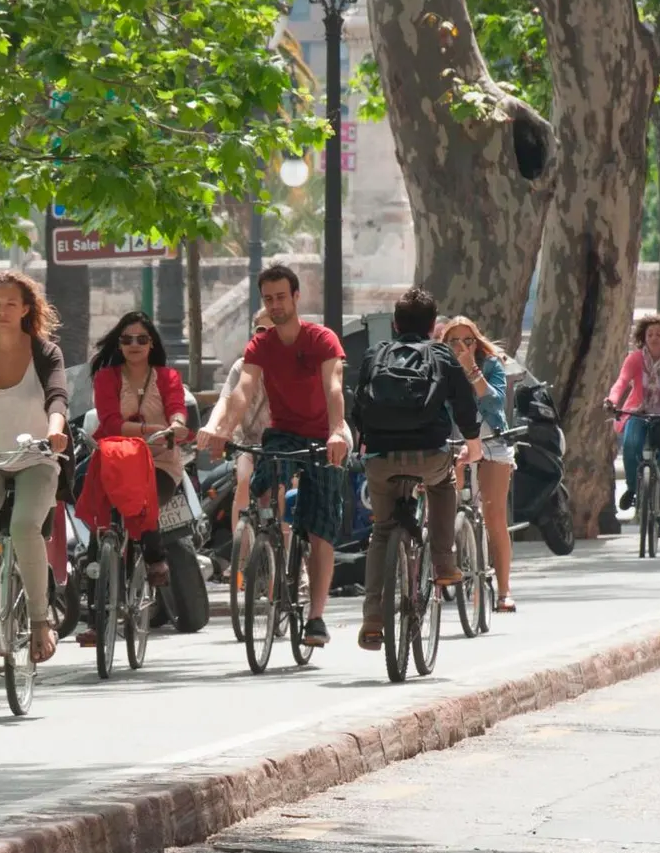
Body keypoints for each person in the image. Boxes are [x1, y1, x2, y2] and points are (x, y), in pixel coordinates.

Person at [199, 265, 353, 648]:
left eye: (281, 296)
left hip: (322, 435)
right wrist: (222, 429)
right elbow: (243, 390)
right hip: (282, 434)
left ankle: (315, 617)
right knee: (258, 487)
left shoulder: (321, 339)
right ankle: (268, 542)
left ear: (297, 297)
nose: (276, 304)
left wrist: (337, 430)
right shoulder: (261, 345)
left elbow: (334, 386)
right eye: (269, 299)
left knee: (320, 527)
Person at [347, 289, 480, 653]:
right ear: (434, 327)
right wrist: (473, 439)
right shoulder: (440, 354)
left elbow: (358, 402)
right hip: (429, 456)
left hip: (381, 457)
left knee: (382, 530)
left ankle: (373, 619)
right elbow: (464, 403)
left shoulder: (377, 353)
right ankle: (443, 562)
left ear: (394, 324)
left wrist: (363, 439)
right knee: (443, 484)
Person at [0, 270, 68, 663]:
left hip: (36, 458)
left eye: (10, 303)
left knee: (23, 526)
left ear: (26, 309)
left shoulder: (45, 353)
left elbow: (57, 397)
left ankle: (40, 622)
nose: (2, 311)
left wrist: (56, 431)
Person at [79, 311, 189, 618]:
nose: (134, 345)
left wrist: (177, 424)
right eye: (127, 339)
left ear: (151, 343)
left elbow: (177, 410)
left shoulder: (168, 378)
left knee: (144, 498)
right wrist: (151, 431)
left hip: (160, 463)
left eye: (141, 339)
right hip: (116, 459)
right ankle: (96, 607)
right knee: (100, 524)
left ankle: (155, 558)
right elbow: (111, 423)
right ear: (119, 344)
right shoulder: (106, 377)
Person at [439, 316, 515, 612]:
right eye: (453, 341)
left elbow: (495, 402)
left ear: (476, 341)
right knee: (445, 506)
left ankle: (504, 590)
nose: (460, 346)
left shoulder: (490, 363)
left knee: (494, 515)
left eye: (467, 340)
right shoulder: (439, 367)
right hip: (454, 444)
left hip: (492, 442)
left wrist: (472, 370)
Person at [605, 312, 660, 540]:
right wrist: (612, 401)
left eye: (659, 334)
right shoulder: (635, 359)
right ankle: (634, 488)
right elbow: (621, 381)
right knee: (631, 444)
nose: (654, 338)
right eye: (650, 334)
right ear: (643, 337)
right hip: (640, 412)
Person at [208, 310, 274, 560]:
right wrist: (215, 430)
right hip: (249, 441)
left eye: (271, 332)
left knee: (282, 491)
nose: (265, 337)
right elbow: (226, 398)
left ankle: (293, 564)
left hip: (281, 443)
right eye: (260, 331)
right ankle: (241, 559)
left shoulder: (289, 365)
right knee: (244, 481)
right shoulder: (241, 366)